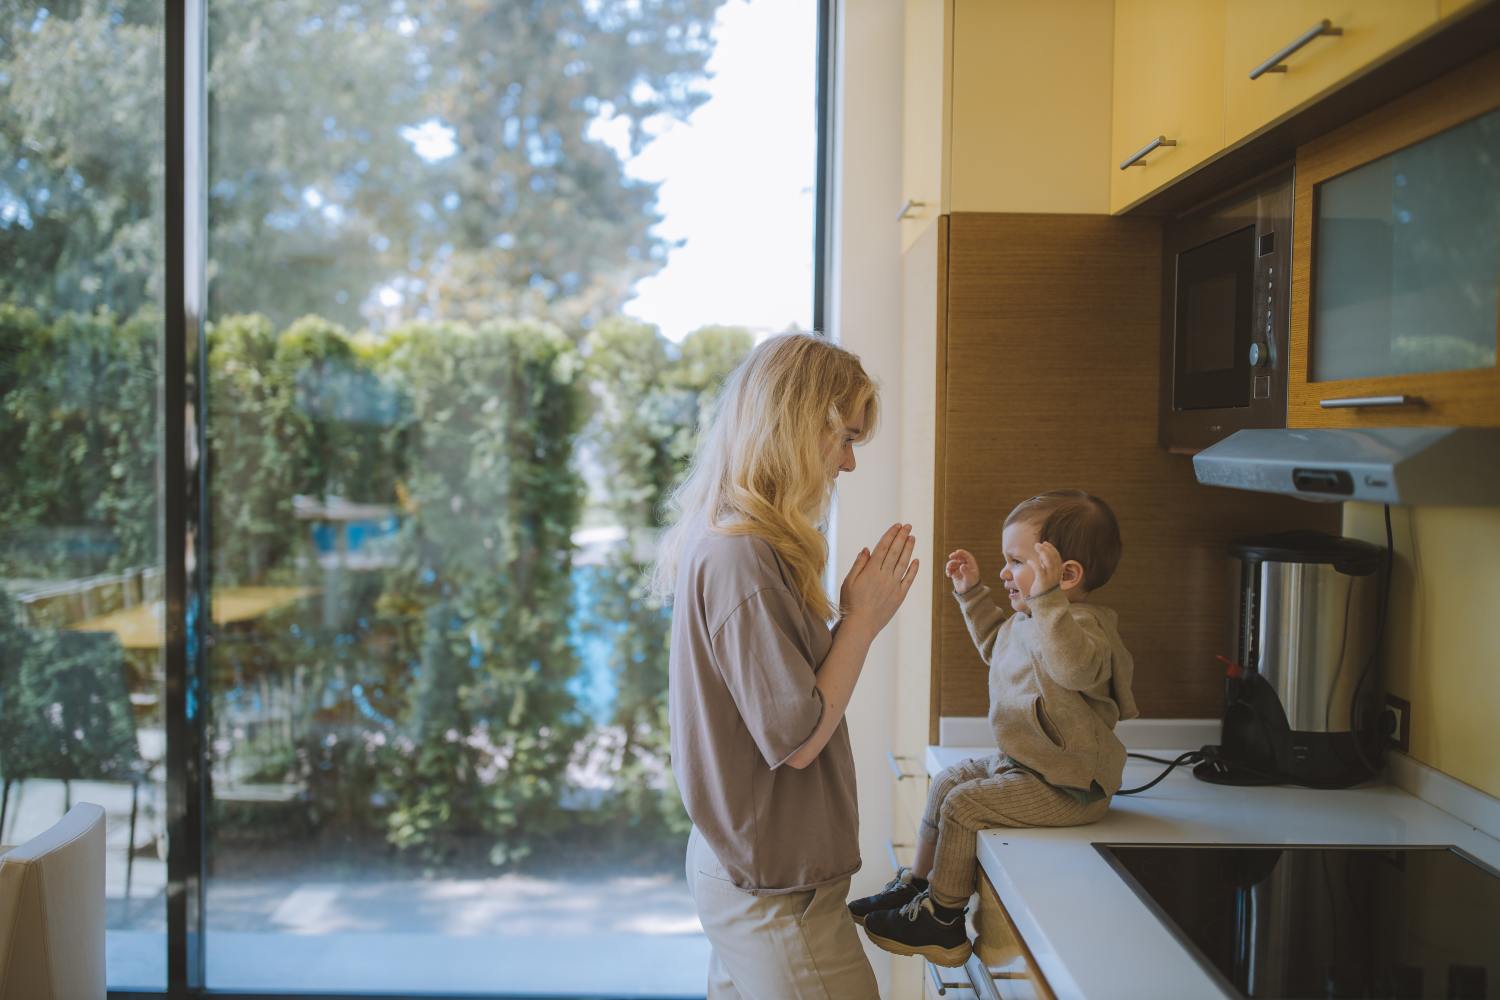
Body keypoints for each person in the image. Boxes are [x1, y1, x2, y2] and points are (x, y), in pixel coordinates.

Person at [655, 332, 920, 999]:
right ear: (800, 429)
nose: (851, 463)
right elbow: (797, 738)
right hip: (773, 890)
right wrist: (861, 621)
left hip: (749, 867)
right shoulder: (742, 556)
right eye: (847, 439)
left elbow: (786, 701)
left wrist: (854, 618)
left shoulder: (742, 541)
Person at [852, 489, 1137, 967]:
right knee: (946, 783)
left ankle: (943, 921)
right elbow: (994, 644)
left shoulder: (1086, 629)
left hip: (1069, 786)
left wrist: (1046, 604)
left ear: (1065, 575)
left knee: (964, 806)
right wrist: (972, 593)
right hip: (1026, 767)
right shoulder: (1032, 618)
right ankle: (918, 884)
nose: (1005, 571)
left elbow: (1072, 669)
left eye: (1016, 561)